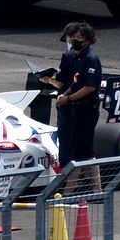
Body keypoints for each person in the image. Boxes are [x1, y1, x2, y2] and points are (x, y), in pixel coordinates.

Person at [55, 22, 102, 193]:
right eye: (73, 37)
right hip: (76, 109)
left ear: (88, 41)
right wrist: (64, 96)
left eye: (79, 38)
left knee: (81, 153)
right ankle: (96, 190)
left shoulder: (90, 59)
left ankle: (70, 192)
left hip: (87, 110)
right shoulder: (77, 57)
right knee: (82, 151)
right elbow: (75, 83)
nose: (75, 40)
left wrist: (68, 99)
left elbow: (89, 87)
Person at [40, 23, 76, 169]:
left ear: (69, 37)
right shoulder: (88, 56)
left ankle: (67, 175)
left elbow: (61, 83)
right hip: (83, 106)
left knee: (66, 143)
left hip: (67, 105)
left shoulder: (68, 56)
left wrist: (48, 79)